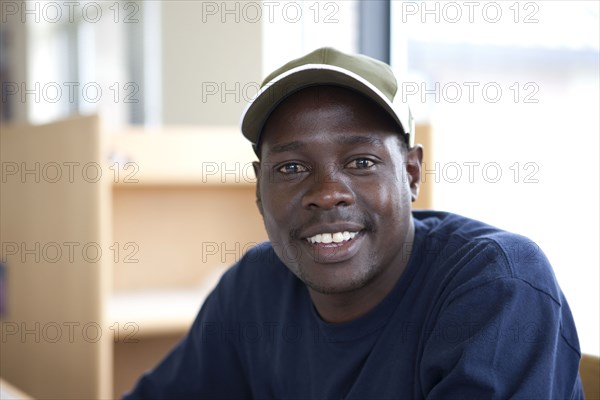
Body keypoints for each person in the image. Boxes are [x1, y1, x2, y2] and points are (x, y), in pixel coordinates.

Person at [124, 47, 583, 399]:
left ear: (411, 174)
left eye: (361, 161)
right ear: (259, 191)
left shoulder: (496, 285)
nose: (327, 192)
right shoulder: (253, 288)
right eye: (290, 168)